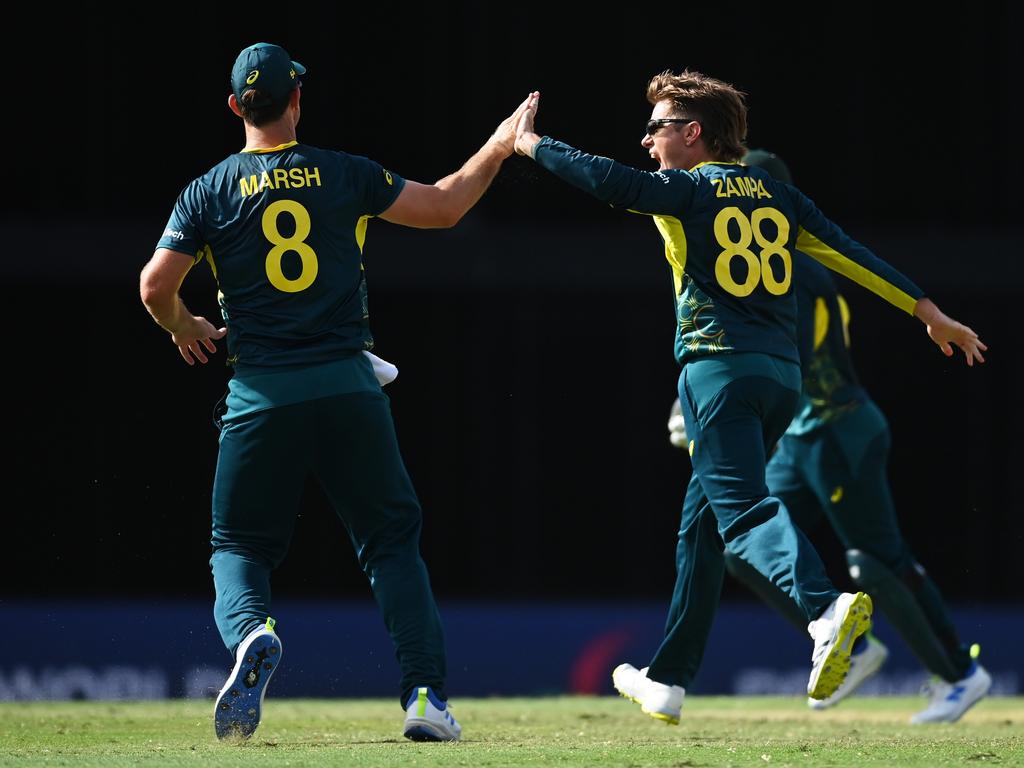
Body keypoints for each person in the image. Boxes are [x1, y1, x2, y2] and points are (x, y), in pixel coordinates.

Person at [513, 72, 985, 725]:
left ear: (693, 133)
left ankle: (824, 610)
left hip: (718, 372)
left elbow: (607, 180)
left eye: (657, 127)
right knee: (701, 532)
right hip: (781, 382)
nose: (647, 139)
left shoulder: (684, 192)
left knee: (742, 514)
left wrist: (531, 144)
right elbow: (853, 255)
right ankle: (669, 679)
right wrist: (928, 311)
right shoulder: (781, 196)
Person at [140, 42, 531, 742]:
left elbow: (153, 287)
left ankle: (253, 632)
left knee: (238, 546)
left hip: (260, 395)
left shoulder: (208, 190)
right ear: (297, 100)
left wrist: (182, 326)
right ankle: (424, 699)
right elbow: (443, 208)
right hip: (349, 388)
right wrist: (500, 147)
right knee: (390, 544)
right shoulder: (343, 173)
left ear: (235, 108)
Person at [665, 149, 991, 723]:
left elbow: (777, 348)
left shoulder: (800, 273)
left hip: (839, 430)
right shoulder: (775, 265)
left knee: (873, 563)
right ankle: (846, 642)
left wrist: (711, 401)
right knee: (738, 539)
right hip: (802, 435)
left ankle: (961, 676)